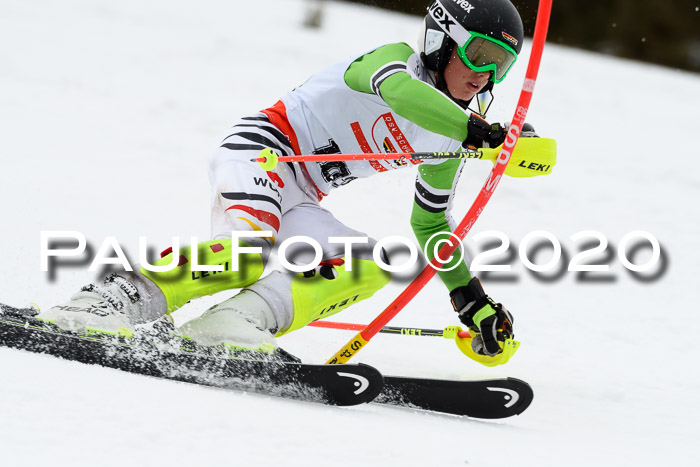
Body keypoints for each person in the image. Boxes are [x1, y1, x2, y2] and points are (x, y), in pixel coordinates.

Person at [40, 0, 546, 365]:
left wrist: (470, 299)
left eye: (501, 63)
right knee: (248, 252)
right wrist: (474, 131)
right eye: (478, 53)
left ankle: (230, 325)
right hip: (263, 150)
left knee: (372, 264)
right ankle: (105, 302)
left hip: (302, 191)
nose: (485, 74)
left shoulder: (455, 132)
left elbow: (431, 221)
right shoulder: (393, 62)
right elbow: (397, 92)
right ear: (443, 39)